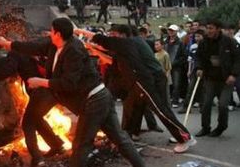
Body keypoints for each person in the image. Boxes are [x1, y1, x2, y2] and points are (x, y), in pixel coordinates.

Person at [0, 18, 160, 167]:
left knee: (82, 145)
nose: (49, 34)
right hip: (99, 98)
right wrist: (8, 44)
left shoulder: (74, 50)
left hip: (94, 100)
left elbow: (68, 83)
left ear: (58, 34)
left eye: (51, 31)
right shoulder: (54, 45)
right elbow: (33, 47)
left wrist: (40, 82)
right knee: (121, 141)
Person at [80, 25, 195, 153]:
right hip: (143, 80)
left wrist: (77, 31)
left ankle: (184, 138)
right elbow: (111, 57)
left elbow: (102, 40)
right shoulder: (131, 43)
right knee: (131, 105)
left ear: (123, 35)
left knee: (160, 109)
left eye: (114, 34)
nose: (112, 37)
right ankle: (127, 135)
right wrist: (92, 48)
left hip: (148, 80)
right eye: (111, 34)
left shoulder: (129, 43)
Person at [0, 52, 65, 167]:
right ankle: (56, 145)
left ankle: (37, 159)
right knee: (36, 119)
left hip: (41, 93)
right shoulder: (34, 49)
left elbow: (7, 69)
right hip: (54, 90)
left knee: (27, 123)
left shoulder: (16, 53)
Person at [195, 20, 240, 137]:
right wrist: (199, 68)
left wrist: (234, 74)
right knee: (206, 104)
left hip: (226, 79)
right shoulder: (204, 42)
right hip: (210, 78)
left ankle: (221, 127)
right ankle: (205, 127)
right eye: (207, 28)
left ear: (218, 29)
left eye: (211, 28)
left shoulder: (229, 41)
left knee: (222, 105)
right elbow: (198, 57)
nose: (208, 31)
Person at [165, 25, 187, 107]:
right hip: (166, 66)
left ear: (176, 31)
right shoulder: (165, 41)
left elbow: (184, 56)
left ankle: (175, 101)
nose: (170, 32)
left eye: (172, 30)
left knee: (176, 84)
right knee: (167, 84)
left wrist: (175, 63)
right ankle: (168, 99)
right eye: (169, 30)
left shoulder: (180, 43)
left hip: (176, 67)